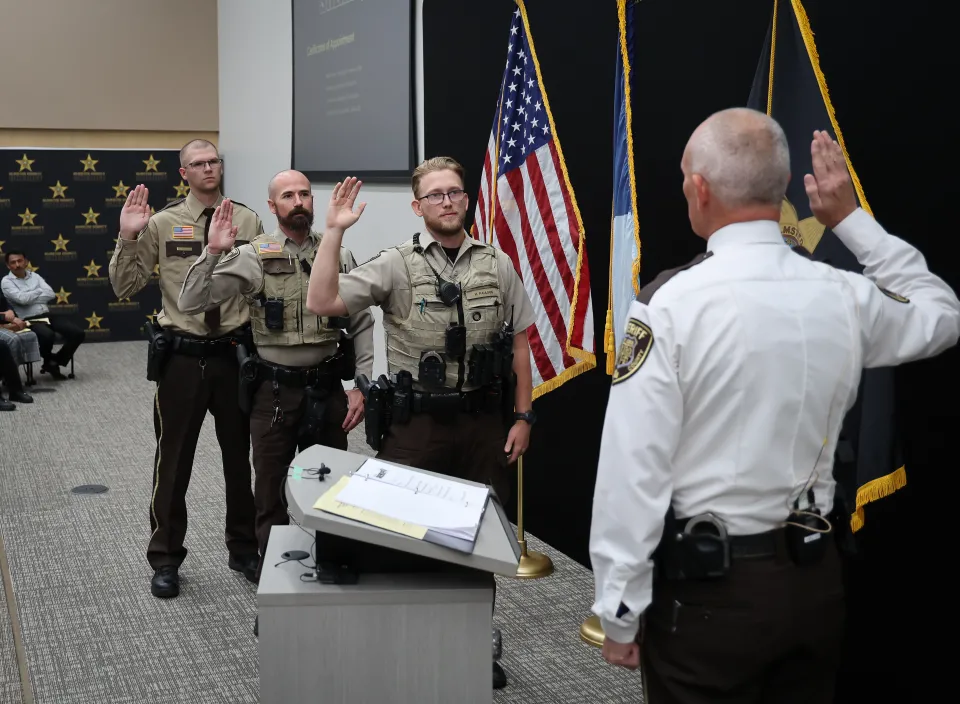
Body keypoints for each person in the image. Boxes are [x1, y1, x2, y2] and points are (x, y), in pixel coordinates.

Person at [588, 110, 960, 703]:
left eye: (686, 177)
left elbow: (633, 473)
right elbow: (941, 316)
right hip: (814, 586)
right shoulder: (845, 294)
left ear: (701, 188)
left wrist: (620, 610)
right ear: (784, 186)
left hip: (710, 596)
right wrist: (853, 224)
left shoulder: (669, 306)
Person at [304, 157, 538, 690]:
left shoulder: (496, 264)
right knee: (406, 536)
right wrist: (335, 232)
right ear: (418, 206)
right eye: (435, 195)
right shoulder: (396, 265)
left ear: (466, 200)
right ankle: (411, 641)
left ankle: (475, 642)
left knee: (478, 539)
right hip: (416, 428)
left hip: (482, 423)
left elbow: (521, 343)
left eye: (455, 192)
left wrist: (523, 415)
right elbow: (322, 300)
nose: (448, 201)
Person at [177, 169, 375, 583]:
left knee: (331, 479)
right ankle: (277, 568)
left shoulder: (336, 251)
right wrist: (212, 252)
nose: (298, 201)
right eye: (288, 196)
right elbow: (193, 300)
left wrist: (361, 384)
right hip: (275, 390)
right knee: (270, 484)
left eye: (304, 193)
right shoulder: (254, 253)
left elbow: (360, 322)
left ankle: (332, 558)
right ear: (273, 206)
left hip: (326, 386)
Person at [108, 139, 263, 599]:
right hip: (181, 357)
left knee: (240, 460)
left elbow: (263, 280)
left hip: (234, 355)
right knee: (173, 461)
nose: (209, 168)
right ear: (183, 174)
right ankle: (166, 558)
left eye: (214, 161)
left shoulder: (248, 219)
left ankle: (244, 548)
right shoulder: (162, 222)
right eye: (198, 163)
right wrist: (129, 235)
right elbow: (125, 286)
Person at [2, 250, 85, 379]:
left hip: (47, 314)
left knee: (78, 333)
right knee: (48, 335)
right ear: (8, 266)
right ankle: (50, 361)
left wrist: (29, 294)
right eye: (13, 262)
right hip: (28, 318)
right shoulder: (6, 281)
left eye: (20, 260)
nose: (17, 264)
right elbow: (21, 300)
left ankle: (55, 361)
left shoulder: (35, 276)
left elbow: (50, 294)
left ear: (26, 262)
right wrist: (39, 291)